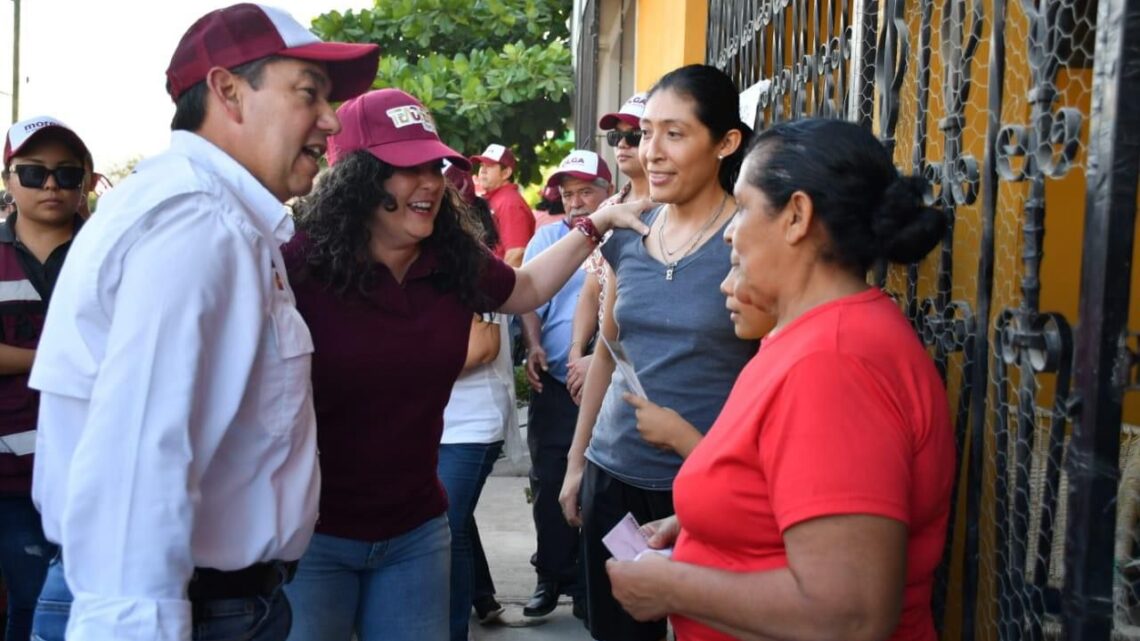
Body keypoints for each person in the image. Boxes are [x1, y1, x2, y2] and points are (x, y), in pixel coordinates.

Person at [26, 5, 379, 641]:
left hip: (221, 604)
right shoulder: (198, 223)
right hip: (187, 608)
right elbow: (137, 456)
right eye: (308, 94)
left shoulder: (222, 216)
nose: (329, 121)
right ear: (228, 91)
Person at [280, 88, 648, 641]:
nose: (429, 180)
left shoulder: (449, 259)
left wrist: (596, 223)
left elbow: (524, 287)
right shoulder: (296, 267)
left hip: (416, 534)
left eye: (433, 164)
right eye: (405, 168)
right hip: (312, 539)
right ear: (357, 177)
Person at [606, 118, 955, 641]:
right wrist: (703, 522)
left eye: (743, 208)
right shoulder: (808, 339)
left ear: (796, 216)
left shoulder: (835, 363)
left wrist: (674, 587)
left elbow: (851, 614)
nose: (729, 229)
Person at [558, 64, 759, 641]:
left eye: (675, 133)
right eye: (646, 133)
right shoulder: (627, 232)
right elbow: (607, 351)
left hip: (708, 490)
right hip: (614, 477)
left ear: (725, 143)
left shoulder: (746, 242)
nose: (652, 152)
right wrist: (577, 464)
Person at [0, 115, 90, 641]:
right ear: (10, 178)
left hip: (95, 464)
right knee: (34, 601)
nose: (52, 185)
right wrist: (55, 358)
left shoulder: (109, 249)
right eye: (34, 174)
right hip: (12, 472)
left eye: (66, 174)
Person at [519, 150, 613, 620]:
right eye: (568, 194)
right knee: (551, 480)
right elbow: (528, 300)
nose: (576, 203)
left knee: (601, 488)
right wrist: (533, 345)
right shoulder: (547, 239)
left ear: (608, 190)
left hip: (613, 389)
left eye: (587, 192)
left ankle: (587, 588)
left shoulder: (626, 233)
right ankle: (550, 577)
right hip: (556, 387)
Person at [437, 162, 513, 640]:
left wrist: (407, 364)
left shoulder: (466, 262)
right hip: (431, 424)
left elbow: (485, 346)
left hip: (471, 425)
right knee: (450, 531)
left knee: (448, 528)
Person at [569, 92, 651, 404]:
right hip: (601, 355)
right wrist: (578, 350)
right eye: (616, 136)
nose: (622, 145)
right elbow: (592, 288)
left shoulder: (669, 209)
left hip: (637, 363)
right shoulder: (608, 207)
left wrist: (602, 359)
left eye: (633, 136)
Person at [470, 143, 535, 266]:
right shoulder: (496, 199)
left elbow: (517, 253)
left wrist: (498, 284)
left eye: (490, 165)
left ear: (506, 173)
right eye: (482, 165)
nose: (483, 170)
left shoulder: (510, 202)